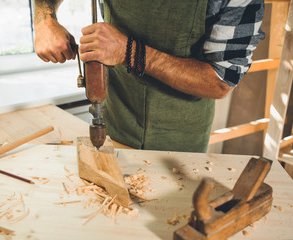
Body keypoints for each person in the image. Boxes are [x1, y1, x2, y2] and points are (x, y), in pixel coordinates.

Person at [33, 0, 265, 152]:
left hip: (180, 142)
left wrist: (128, 51)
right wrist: (45, 19)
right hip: (115, 122)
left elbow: (220, 81)